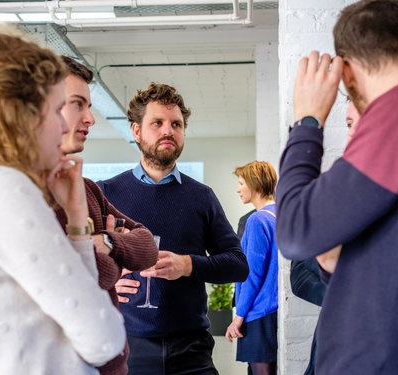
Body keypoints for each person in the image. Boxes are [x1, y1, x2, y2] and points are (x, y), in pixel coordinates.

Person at [0, 25, 126, 375]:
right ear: (24, 114)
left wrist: (77, 220)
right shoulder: (1, 188)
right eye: (57, 109)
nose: (64, 127)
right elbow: (104, 339)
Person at [276, 1, 398, 373]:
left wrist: (307, 119)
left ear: (345, 70)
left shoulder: (391, 114)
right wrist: (334, 268)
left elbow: (295, 231)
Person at [96, 82, 249, 375]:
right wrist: (107, 281)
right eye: (158, 123)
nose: (168, 130)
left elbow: (238, 265)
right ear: (137, 131)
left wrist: (187, 265)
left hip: (190, 350)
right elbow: (76, 265)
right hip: (126, 348)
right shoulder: (106, 193)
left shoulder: (201, 196)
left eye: (176, 124)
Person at [57, 56, 158, 375]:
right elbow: (91, 278)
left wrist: (104, 241)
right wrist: (112, 256)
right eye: (78, 104)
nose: (90, 118)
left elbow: (147, 247)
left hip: (110, 363)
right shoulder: (24, 194)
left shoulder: (85, 189)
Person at [289, 99, 361, 375]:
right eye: (349, 124)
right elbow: (299, 274)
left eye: (359, 122)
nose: (352, 134)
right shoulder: (339, 193)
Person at [226, 161, 278, 375]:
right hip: (274, 313)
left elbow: (252, 274)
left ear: (255, 185)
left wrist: (238, 318)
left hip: (258, 315)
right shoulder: (280, 214)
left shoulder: (258, 220)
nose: (238, 189)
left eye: (241, 183)